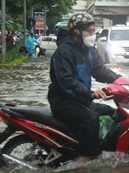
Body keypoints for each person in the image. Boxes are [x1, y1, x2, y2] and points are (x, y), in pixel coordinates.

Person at [48, 11, 120, 163]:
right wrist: (90, 93)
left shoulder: (89, 51)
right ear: (76, 31)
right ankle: (84, 158)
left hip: (81, 100)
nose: (93, 35)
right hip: (63, 101)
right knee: (90, 118)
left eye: (94, 31)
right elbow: (66, 81)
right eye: (89, 31)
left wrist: (120, 80)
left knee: (115, 114)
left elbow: (100, 71)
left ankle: (104, 151)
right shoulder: (64, 52)